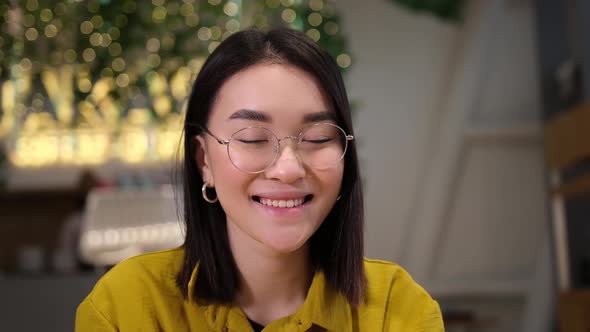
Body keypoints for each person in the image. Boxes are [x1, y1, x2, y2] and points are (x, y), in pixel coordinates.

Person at [76, 28, 443, 331]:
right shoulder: (127, 308)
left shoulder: (398, 311)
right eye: (252, 139)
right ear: (204, 160)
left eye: (317, 138)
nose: (288, 168)